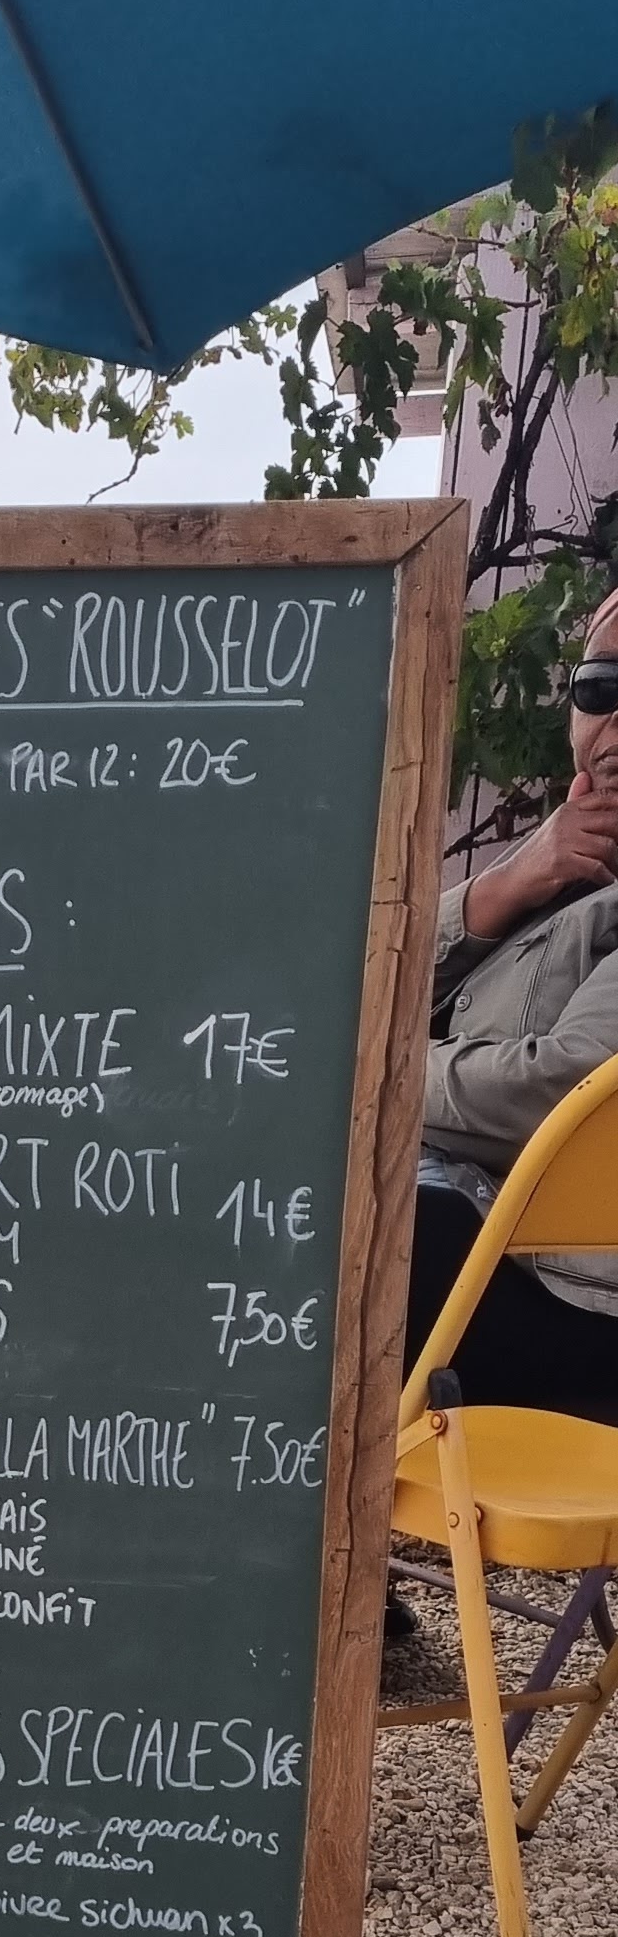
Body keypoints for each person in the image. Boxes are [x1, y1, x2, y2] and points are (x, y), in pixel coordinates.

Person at [406, 590, 618, 1421]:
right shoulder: (567, 877)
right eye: (601, 687)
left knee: (316, 1232)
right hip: (477, 1237)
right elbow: (354, 995)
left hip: (570, 1298)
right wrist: (501, 890)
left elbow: (568, 1095)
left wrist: (372, 1077)